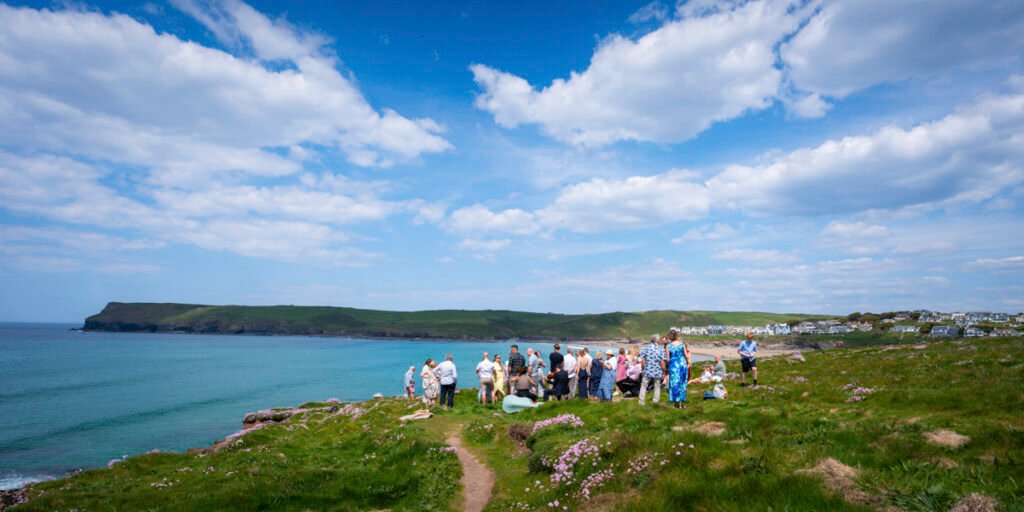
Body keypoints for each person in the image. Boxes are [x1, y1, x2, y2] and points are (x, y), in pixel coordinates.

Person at [665, 329, 691, 409]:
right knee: (682, 384)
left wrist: (666, 367)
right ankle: (681, 404)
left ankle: (673, 403)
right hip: (683, 365)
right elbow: (686, 356)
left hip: (674, 366)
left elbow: (668, 359)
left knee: (673, 384)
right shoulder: (682, 344)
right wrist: (688, 363)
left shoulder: (668, 346)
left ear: (670, 337)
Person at [638, 335, 665, 405]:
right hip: (657, 371)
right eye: (659, 339)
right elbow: (662, 362)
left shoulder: (646, 348)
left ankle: (641, 402)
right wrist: (664, 372)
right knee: (657, 386)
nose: (660, 341)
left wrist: (643, 369)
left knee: (643, 386)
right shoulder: (661, 349)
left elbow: (643, 361)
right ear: (656, 340)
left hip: (647, 370)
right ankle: (655, 402)